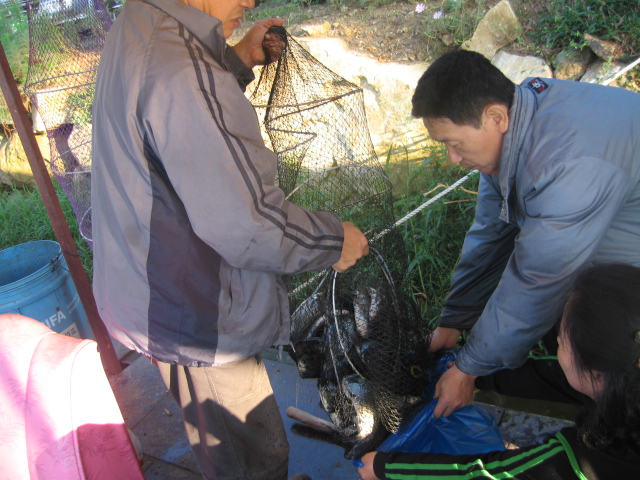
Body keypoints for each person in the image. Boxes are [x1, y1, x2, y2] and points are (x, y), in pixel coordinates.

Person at [90, 0, 369, 479]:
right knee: (253, 458)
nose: (250, 2)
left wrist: (235, 62)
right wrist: (331, 241)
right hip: (189, 311)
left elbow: (178, 128)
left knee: (231, 448)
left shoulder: (142, 22)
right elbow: (247, 223)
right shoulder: (179, 67)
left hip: (149, 288)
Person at [409, 50, 640, 419]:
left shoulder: (566, 165)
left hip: (629, 268)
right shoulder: (519, 119)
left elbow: (540, 278)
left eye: (455, 143)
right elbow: (491, 233)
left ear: (495, 118)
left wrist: (468, 368)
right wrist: (455, 320)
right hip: (605, 229)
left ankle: (608, 431)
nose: (452, 159)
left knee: (605, 363)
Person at [358, 263, 640, 479]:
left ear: (596, 374)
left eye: (562, 340)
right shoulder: (626, 374)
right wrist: (468, 373)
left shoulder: (594, 459)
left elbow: (493, 474)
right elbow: (546, 379)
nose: (556, 340)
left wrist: (386, 468)